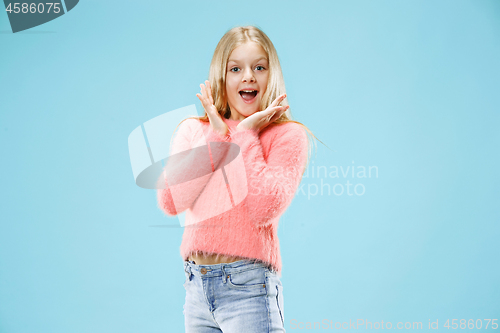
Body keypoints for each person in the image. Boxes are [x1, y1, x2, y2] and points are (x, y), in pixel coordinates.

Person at [157, 25, 318, 333]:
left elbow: (263, 207)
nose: (248, 76)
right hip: (196, 290)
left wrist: (245, 135)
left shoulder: (286, 136)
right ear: (222, 76)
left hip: (249, 289)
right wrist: (218, 140)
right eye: (236, 68)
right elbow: (171, 200)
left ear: (273, 76)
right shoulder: (194, 129)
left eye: (260, 67)